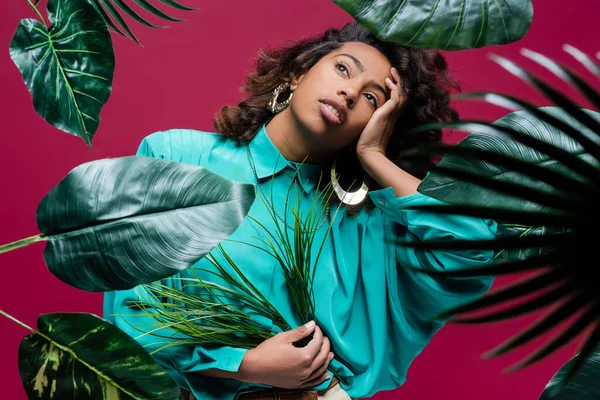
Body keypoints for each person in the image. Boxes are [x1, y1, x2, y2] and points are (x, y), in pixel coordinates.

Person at [103, 21, 497, 400]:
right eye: (343, 69)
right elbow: (129, 318)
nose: (349, 92)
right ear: (297, 73)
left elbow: (472, 248)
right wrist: (246, 364)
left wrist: (375, 156)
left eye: (373, 98)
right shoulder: (174, 158)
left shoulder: (365, 225)